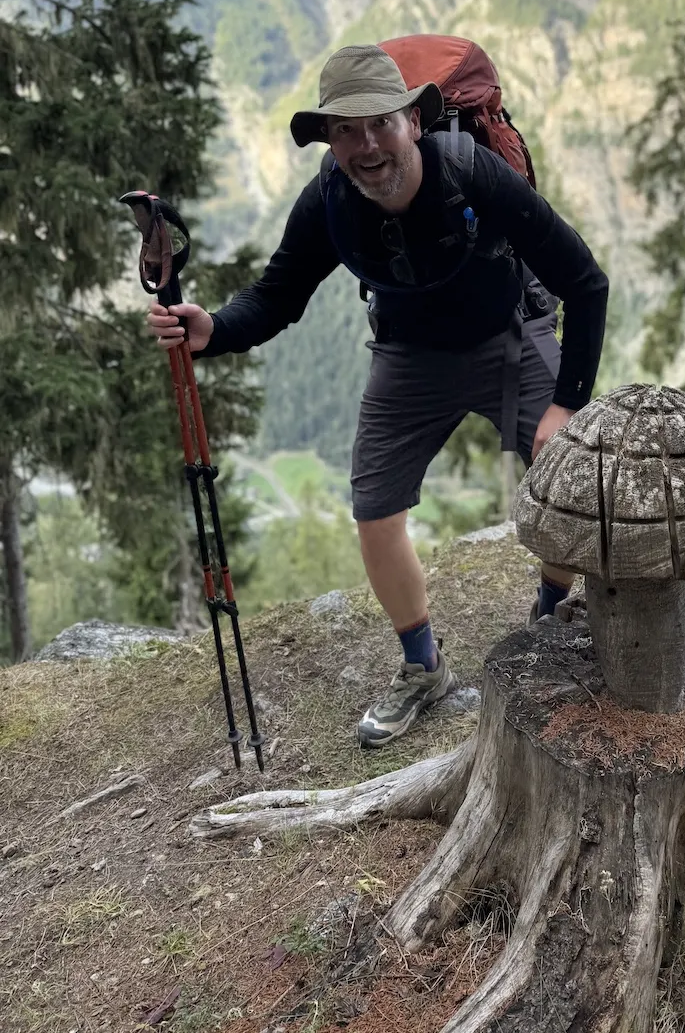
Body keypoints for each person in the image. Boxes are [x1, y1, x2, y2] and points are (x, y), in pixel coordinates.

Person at [147, 43, 609, 748]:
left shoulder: (472, 172)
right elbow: (277, 296)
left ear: (414, 122)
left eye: (381, 125)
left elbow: (585, 281)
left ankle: (550, 613)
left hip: (508, 337)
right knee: (374, 505)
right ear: (329, 140)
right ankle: (423, 669)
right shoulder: (329, 199)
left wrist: (565, 406)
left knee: (570, 480)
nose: (366, 146)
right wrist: (214, 329)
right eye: (345, 131)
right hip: (408, 353)